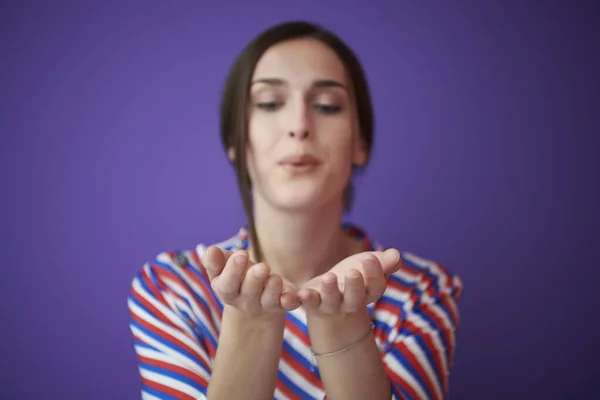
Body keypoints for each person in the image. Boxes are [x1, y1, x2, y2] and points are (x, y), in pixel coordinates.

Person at [127, 20, 463, 400]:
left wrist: (341, 323)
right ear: (235, 141)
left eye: (326, 106)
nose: (299, 126)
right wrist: (251, 323)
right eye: (270, 103)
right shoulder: (173, 288)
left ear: (360, 143)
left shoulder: (422, 290)